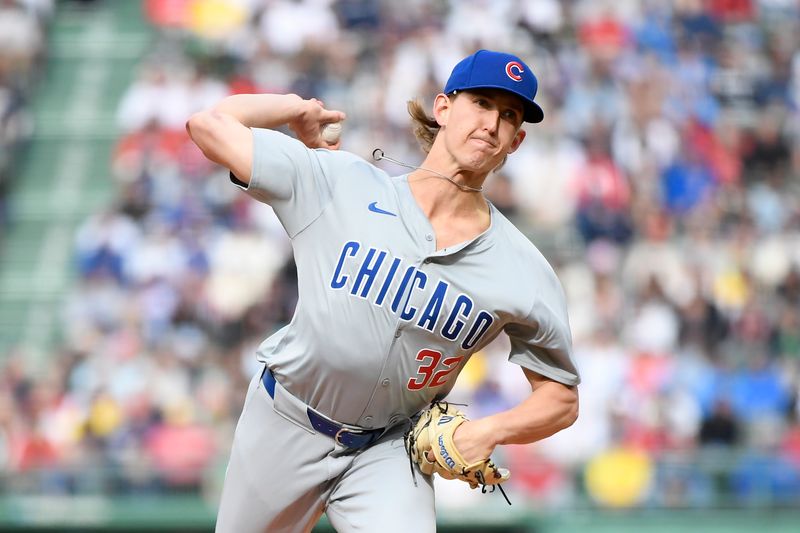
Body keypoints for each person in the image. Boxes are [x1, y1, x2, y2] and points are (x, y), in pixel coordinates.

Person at [187, 49, 580, 533]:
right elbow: (209, 125)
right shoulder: (340, 183)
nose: (492, 123)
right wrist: (294, 108)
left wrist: (489, 431)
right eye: (481, 102)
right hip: (285, 420)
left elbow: (561, 397)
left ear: (515, 142)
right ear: (443, 108)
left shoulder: (523, 268)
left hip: (390, 449)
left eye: (508, 115)